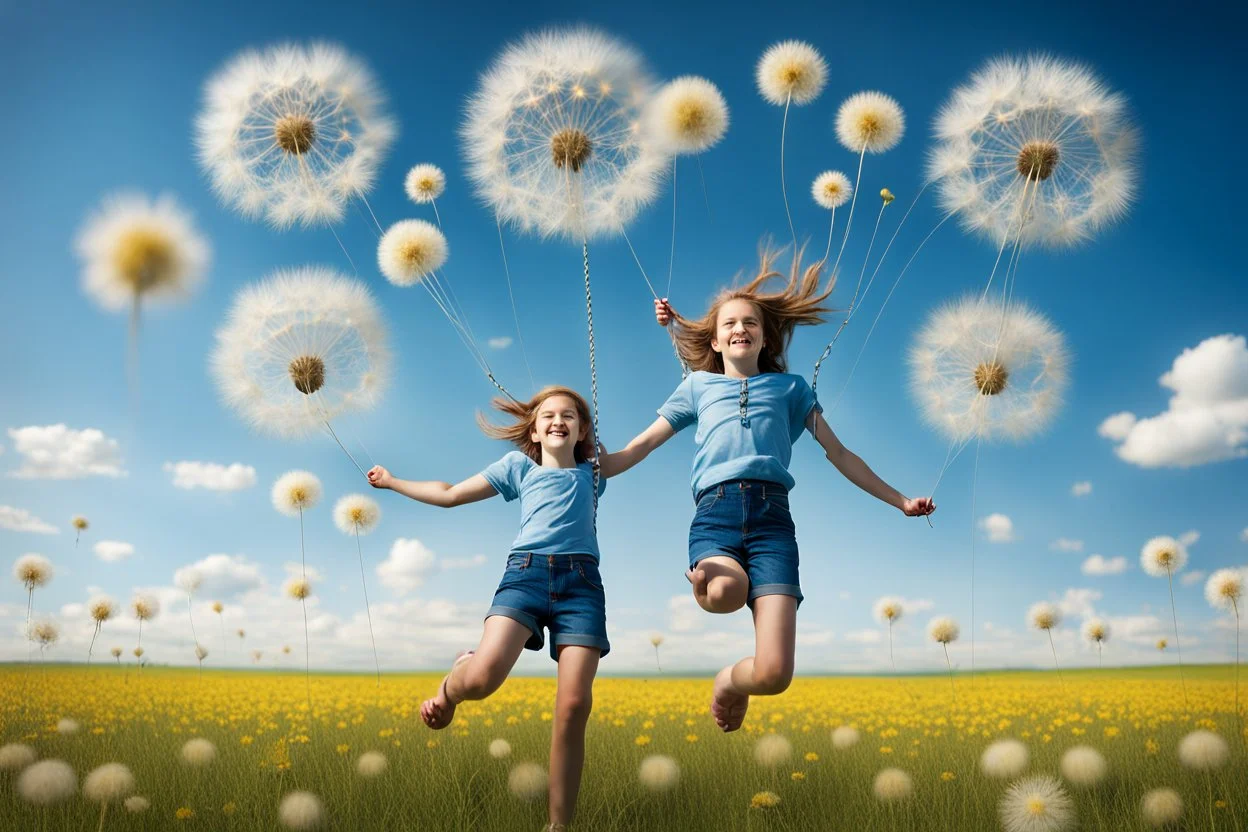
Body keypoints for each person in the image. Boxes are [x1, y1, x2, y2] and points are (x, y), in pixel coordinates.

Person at [600, 248, 935, 732]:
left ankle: (728, 682)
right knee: (725, 592)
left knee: (775, 674)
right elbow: (641, 446)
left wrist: (900, 500)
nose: (741, 328)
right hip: (715, 513)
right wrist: (598, 466)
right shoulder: (696, 387)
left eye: (751, 322)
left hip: (774, 525)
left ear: (764, 336)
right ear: (714, 340)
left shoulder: (791, 389)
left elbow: (840, 454)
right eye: (730, 323)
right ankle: (705, 582)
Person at [368, 385, 610, 831]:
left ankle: (558, 825)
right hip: (526, 575)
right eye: (548, 415)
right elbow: (450, 494)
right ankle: (449, 687)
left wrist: (673, 335)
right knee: (478, 681)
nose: (559, 420)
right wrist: (392, 481)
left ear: (582, 430)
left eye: (570, 416)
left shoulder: (595, 472)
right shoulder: (518, 467)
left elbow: (650, 442)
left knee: (575, 705)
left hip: (582, 586)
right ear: (534, 431)